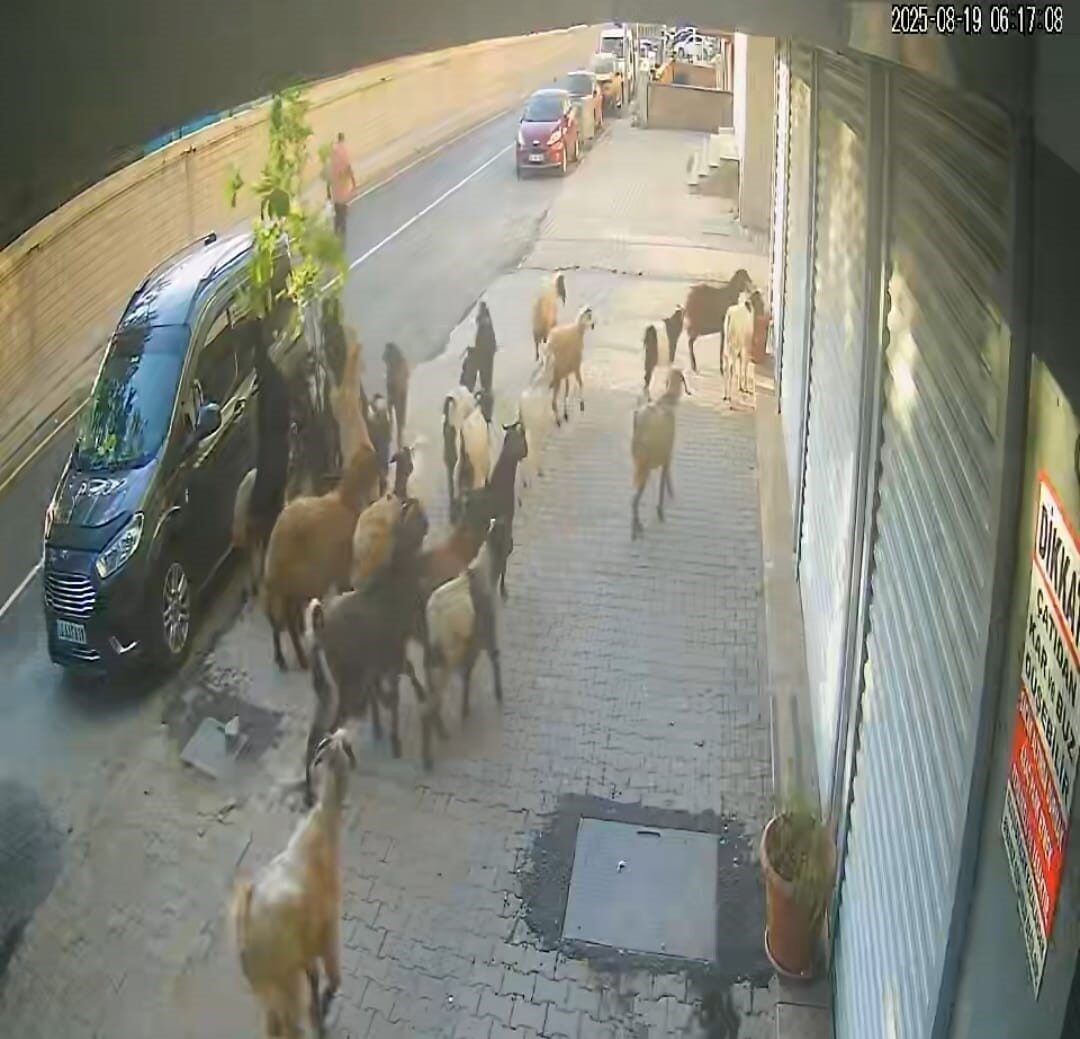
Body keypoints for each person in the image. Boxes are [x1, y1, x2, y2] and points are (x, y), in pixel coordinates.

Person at [328, 132, 356, 245]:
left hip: (335, 188)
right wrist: (353, 182)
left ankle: (336, 231)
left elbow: (330, 170)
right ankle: (341, 234)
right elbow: (348, 167)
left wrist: (328, 190)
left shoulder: (333, 152)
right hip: (343, 188)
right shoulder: (343, 151)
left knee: (337, 210)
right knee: (343, 212)